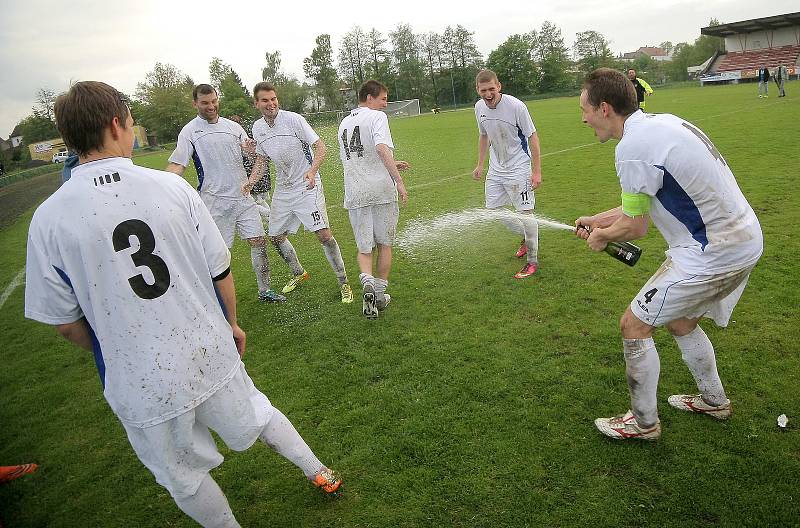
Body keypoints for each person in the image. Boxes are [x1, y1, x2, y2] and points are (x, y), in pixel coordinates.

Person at [24, 81, 341, 527]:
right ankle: (320, 472)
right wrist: (230, 324)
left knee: (183, 477)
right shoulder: (171, 189)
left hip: (140, 376)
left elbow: (63, 323)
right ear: (116, 124)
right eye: (131, 123)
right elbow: (220, 270)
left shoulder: (48, 219)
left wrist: (121, 345)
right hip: (207, 344)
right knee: (258, 412)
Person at [575, 68, 763, 441]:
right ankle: (713, 401)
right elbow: (645, 199)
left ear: (605, 109)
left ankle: (642, 424)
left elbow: (635, 226)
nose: (583, 118)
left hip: (713, 253)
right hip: (742, 240)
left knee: (633, 325)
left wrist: (601, 238)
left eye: (585, 108)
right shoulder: (658, 126)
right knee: (679, 321)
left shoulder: (631, 148)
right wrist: (599, 219)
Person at [167, 84, 285, 302]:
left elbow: (251, 158)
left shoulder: (233, 127)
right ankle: (213, 298)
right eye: (205, 103)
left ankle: (265, 291)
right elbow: (178, 164)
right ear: (195, 104)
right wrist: (162, 184)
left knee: (259, 241)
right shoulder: (189, 131)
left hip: (242, 197)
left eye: (213, 101)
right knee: (219, 255)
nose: (211, 106)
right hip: (214, 203)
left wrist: (250, 153)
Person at [244, 82, 353, 303]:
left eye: (273, 99)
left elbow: (321, 147)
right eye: (265, 100)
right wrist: (250, 183)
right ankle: (298, 273)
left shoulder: (294, 119)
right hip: (283, 190)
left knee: (323, 235)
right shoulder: (257, 128)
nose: (271, 103)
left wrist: (312, 172)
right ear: (256, 103)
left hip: (307, 185)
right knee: (275, 236)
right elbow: (262, 160)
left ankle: (344, 283)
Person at [337, 80, 409, 319]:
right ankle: (379, 293)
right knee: (385, 244)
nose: (385, 104)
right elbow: (380, 148)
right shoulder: (377, 117)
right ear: (369, 98)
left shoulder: (344, 123)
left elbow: (358, 158)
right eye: (383, 99)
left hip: (356, 192)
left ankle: (367, 283)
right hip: (381, 191)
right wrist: (398, 180)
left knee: (364, 247)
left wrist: (392, 163)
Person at [472, 69, 542, 279]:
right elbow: (484, 136)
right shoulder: (478, 108)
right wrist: (480, 164)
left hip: (519, 167)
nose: (488, 94)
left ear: (499, 86)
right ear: (478, 90)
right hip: (496, 168)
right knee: (494, 211)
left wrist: (537, 171)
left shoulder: (516, 106)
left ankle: (532, 261)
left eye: (491, 89)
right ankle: (525, 236)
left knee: (526, 214)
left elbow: (533, 137)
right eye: (483, 90)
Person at [229, 114, 272, 220]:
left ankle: (272, 218)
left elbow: (261, 158)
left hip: (254, 179)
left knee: (253, 203)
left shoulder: (246, 140)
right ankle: (272, 220)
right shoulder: (238, 140)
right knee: (255, 203)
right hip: (253, 179)